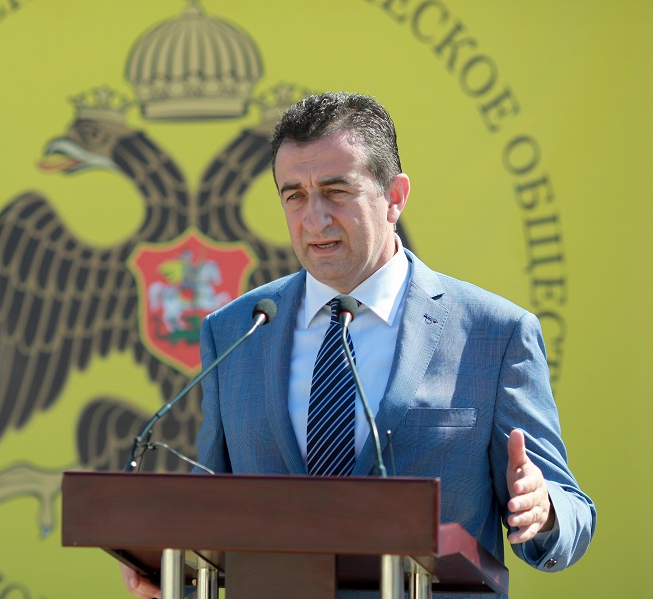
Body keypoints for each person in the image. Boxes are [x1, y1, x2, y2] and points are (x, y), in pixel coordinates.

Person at [121, 92, 595, 598]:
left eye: (336, 191)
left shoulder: (495, 333)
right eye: (294, 196)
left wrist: (543, 509)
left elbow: (574, 513)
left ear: (395, 197)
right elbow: (217, 512)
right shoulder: (237, 330)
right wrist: (180, 580)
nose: (314, 218)